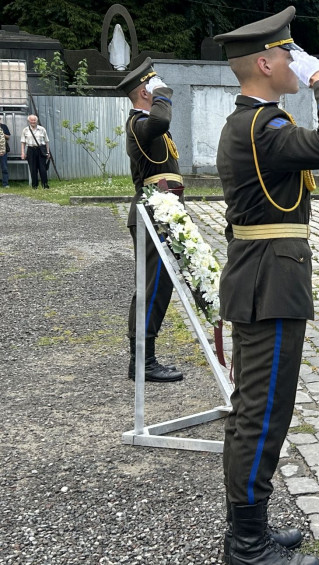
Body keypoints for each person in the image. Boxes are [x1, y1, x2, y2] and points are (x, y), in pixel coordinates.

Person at [214, 7, 319, 565]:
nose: (297, 62)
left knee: (259, 410)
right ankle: (245, 546)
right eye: (290, 54)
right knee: (262, 414)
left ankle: (251, 529)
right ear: (266, 62)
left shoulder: (251, 124)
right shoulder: (263, 127)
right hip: (270, 283)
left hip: (264, 277)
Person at [116, 59, 184, 383]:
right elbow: (161, 117)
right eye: (154, 85)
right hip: (151, 214)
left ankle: (143, 359)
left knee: (157, 285)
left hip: (161, 210)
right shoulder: (138, 123)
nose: (160, 89)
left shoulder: (144, 122)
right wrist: (163, 93)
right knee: (152, 287)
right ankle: (143, 361)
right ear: (145, 90)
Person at [20, 115, 49, 189]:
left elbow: (46, 141)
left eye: (34, 120)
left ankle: (45, 185)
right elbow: (23, 142)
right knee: (33, 169)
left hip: (41, 149)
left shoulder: (42, 129)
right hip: (30, 150)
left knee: (42, 168)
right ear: (29, 121)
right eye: (31, 120)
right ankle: (34, 186)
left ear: (37, 121)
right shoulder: (25, 130)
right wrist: (23, 153)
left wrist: (48, 152)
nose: (33, 122)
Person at [0, 116, 9, 188]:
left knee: (4, 168)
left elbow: (8, 137)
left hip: (3, 150)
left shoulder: (4, 126)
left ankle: (5, 184)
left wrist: (2, 134)